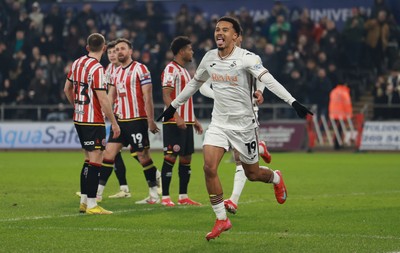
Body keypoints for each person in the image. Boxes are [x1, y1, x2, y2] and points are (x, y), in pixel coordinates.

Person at [157, 16, 312, 240]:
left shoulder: (247, 58)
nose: (219, 33)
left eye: (226, 30)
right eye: (217, 29)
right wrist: (173, 106)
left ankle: (276, 178)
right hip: (219, 122)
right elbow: (195, 83)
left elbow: (268, 80)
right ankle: (222, 219)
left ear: (236, 36)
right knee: (209, 167)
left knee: (253, 173)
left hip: (243, 125)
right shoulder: (210, 58)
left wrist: (293, 102)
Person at [199, 32, 272, 214]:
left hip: (246, 115)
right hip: (223, 118)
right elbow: (202, 86)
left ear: (238, 38)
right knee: (213, 164)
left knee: (244, 164)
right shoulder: (215, 60)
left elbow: (262, 79)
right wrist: (218, 95)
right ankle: (229, 205)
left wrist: (260, 93)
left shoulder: (248, 58)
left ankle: (234, 199)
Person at [64, 33, 120, 215]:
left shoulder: (77, 63)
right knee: (96, 160)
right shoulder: (98, 70)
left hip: (79, 118)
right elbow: (103, 100)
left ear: (87, 47)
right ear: (104, 48)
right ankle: (92, 204)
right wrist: (114, 123)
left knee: (88, 159)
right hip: (93, 120)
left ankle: (83, 202)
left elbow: (67, 89)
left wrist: (76, 105)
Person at [101, 38, 161, 205]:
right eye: (117, 49)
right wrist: (109, 116)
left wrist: (150, 120)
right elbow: (111, 95)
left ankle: (153, 195)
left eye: (122, 49)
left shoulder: (141, 69)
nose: (119, 51)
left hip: (136, 119)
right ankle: (97, 194)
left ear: (130, 52)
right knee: (109, 153)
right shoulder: (115, 72)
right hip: (120, 120)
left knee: (143, 156)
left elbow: (147, 97)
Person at [160, 36, 203, 207]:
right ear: (181, 51)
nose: (192, 52)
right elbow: (166, 95)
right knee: (170, 156)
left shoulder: (184, 70)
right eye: (190, 49)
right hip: (173, 122)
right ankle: (165, 198)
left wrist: (194, 120)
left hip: (186, 121)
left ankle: (183, 196)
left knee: (186, 158)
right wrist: (176, 116)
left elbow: (185, 99)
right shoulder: (171, 69)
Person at [329, 82, 353, 150]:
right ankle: (338, 144)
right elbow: (347, 104)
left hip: (333, 113)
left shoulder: (333, 91)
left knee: (337, 130)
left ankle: (337, 144)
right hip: (341, 114)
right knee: (340, 130)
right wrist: (349, 115)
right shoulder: (344, 92)